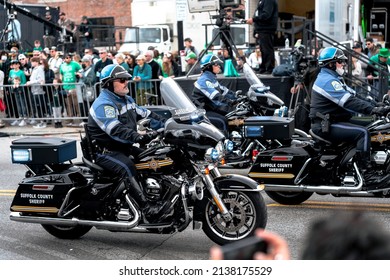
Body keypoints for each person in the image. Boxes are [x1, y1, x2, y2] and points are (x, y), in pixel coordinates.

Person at [87, 64, 169, 222]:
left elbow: (147, 115)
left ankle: (155, 195)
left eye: (126, 79)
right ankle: (147, 209)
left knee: (154, 158)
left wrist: (168, 124)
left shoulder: (126, 100)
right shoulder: (104, 104)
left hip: (123, 147)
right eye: (122, 80)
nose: (126, 82)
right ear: (109, 83)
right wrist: (138, 137)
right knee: (128, 167)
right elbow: (116, 130)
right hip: (106, 152)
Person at [309, 46, 390, 179]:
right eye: (341, 61)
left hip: (335, 120)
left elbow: (355, 96)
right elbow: (349, 102)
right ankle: (366, 172)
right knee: (363, 133)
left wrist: (378, 105)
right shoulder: (327, 81)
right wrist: (373, 109)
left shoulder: (334, 78)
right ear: (331, 64)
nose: (344, 64)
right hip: (325, 125)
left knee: (374, 124)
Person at [192, 54, 237, 135]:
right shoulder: (204, 80)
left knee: (233, 116)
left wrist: (237, 96)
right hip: (202, 111)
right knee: (222, 121)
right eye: (216, 64)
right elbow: (217, 97)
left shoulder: (211, 78)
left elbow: (224, 91)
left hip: (209, 108)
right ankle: (225, 144)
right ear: (208, 67)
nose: (219, 66)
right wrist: (231, 102)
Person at [246, 0, 278, 74]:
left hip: (266, 29)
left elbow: (266, 15)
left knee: (267, 49)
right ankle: (263, 67)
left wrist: (254, 19)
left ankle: (269, 68)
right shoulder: (262, 1)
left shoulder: (268, 1)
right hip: (262, 29)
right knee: (263, 50)